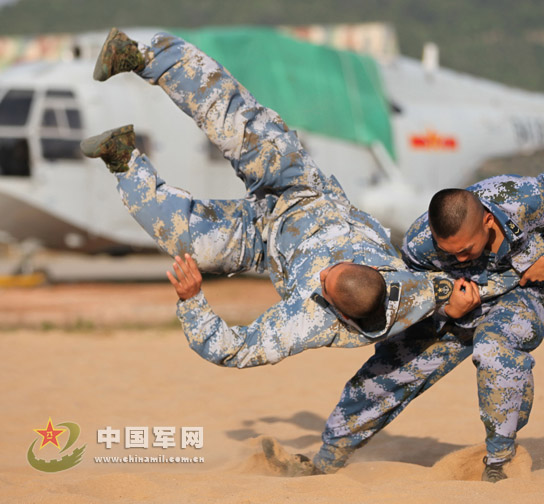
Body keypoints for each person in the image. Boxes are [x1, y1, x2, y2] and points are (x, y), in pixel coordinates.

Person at [81, 29, 519, 369]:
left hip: (263, 243)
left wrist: (193, 299)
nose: (326, 270)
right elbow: (470, 287)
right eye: (338, 269)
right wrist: (493, 282)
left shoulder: (309, 322)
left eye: (325, 281)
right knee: (237, 125)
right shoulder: (413, 291)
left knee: (184, 240)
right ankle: (143, 55)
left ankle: (120, 157)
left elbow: (232, 350)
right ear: (374, 272)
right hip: (302, 188)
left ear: (331, 305)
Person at [269, 170, 544, 482]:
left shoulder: (522, 199)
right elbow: (415, 294)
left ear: (487, 220)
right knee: (383, 373)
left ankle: (500, 462)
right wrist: (446, 306)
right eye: (451, 252)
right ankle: (324, 462)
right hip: (451, 310)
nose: (462, 259)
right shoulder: (419, 243)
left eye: (467, 249)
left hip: (518, 295)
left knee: (494, 348)